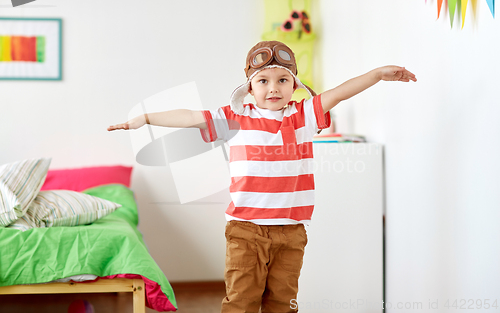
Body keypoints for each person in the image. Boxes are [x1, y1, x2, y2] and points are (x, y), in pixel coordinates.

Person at [108, 40, 416, 313]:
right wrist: (145, 118)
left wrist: (376, 75)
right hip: (246, 230)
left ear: (294, 85)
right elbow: (190, 117)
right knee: (241, 300)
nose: (273, 88)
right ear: (250, 88)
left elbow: (338, 93)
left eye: (283, 80)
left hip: (291, 231)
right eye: (263, 81)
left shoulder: (303, 116)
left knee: (283, 303)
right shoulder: (234, 118)